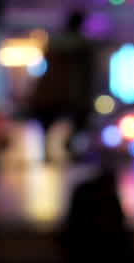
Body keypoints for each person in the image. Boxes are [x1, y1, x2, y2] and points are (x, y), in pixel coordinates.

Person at [28, 10, 96, 161]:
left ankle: (52, 152)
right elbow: (87, 74)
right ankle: (72, 149)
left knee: (47, 126)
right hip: (71, 93)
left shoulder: (55, 43)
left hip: (49, 92)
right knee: (79, 123)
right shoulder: (82, 46)